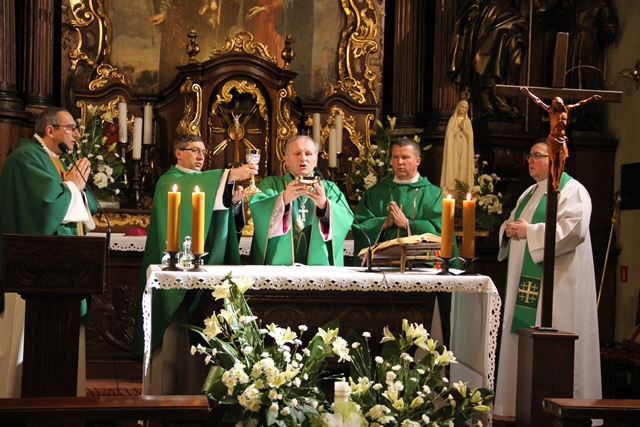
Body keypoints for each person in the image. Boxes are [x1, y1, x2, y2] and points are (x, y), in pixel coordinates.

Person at [131, 133, 257, 395]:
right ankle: (168, 388)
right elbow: (191, 194)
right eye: (194, 150)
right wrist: (231, 174)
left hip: (207, 266)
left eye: (204, 152)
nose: (201, 157)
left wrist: (232, 204)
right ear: (178, 153)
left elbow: (215, 219)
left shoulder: (206, 184)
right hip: (176, 268)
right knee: (176, 331)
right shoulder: (169, 181)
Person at [494, 140, 601, 419]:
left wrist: (529, 232)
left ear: (556, 160)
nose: (530, 160)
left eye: (537, 155)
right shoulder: (529, 193)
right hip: (527, 286)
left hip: (558, 285)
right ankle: (517, 407)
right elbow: (514, 224)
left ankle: (566, 411)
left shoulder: (573, 190)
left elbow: (573, 231)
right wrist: (508, 230)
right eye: (529, 155)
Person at [0, 107, 98, 397]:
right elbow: (44, 209)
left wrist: (74, 187)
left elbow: (85, 207)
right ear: (50, 130)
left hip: (61, 272)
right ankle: (19, 405)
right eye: (71, 128)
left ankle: (63, 403)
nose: (76, 134)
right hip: (31, 275)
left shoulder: (56, 160)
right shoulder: (26, 158)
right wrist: (71, 186)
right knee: (26, 347)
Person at [352, 136, 458, 346]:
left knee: (418, 330)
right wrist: (384, 223)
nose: (399, 162)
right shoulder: (376, 193)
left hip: (421, 271)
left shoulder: (434, 194)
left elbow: (442, 229)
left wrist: (408, 224)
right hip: (382, 271)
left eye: (405, 157)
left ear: (417, 161)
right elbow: (359, 226)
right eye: (395, 157)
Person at [248, 135, 352, 266]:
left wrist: (324, 205)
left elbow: (345, 219)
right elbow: (259, 212)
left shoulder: (329, 189)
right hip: (279, 267)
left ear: (315, 160)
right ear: (286, 160)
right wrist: (283, 199)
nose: (303, 158)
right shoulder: (271, 184)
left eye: (308, 154)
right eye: (297, 153)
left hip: (319, 268)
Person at [448, 0, 528, 120]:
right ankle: (492, 104)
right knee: (488, 59)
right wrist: (474, 6)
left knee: (514, 59)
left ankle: (507, 99)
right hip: (491, 15)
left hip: (513, 17)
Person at [520, 87, 601, 191]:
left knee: (562, 161)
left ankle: (557, 181)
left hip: (562, 139)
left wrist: (591, 99)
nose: (558, 105)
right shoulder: (551, 111)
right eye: (556, 103)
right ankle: (555, 182)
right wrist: (528, 93)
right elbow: (538, 101)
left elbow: (579, 103)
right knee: (554, 162)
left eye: (559, 103)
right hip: (553, 139)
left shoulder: (566, 109)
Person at [564, 0, 618, 130]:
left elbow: (611, 28)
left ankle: (589, 116)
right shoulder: (574, 4)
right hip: (573, 43)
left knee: (586, 77)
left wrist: (601, 31)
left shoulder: (600, 4)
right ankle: (574, 114)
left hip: (588, 45)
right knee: (572, 76)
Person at [440, 99, 475, 192]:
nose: (464, 109)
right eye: (462, 107)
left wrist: (464, 129)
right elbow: (449, 135)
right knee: (454, 163)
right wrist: (458, 129)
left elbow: (470, 135)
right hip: (454, 145)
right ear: (458, 107)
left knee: (463, 164)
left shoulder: (468, 121)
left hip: (464, 145)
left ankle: (464, 186)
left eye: (466, 108)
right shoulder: (453, 120)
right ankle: (452, 186)